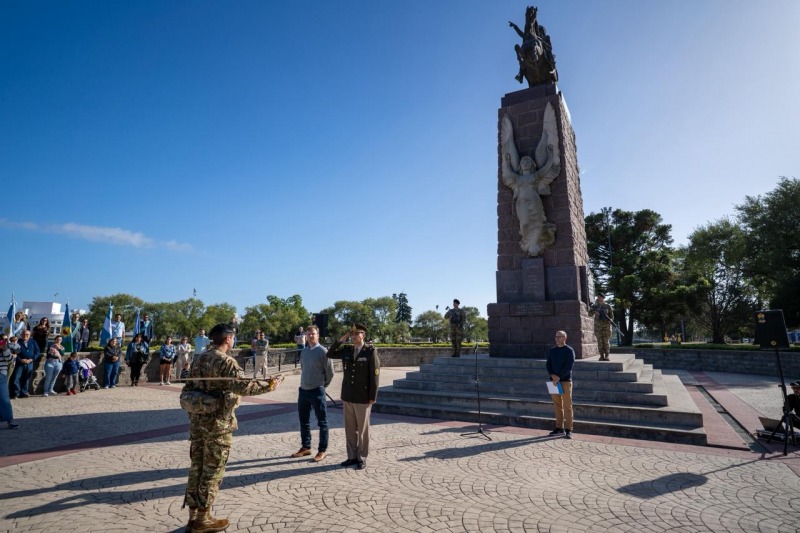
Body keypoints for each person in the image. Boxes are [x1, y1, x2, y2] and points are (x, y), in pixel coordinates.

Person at [181, 322, 283, 532]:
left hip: (197, 422)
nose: (233, 340)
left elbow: (189, 387)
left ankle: (193, 516)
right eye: (233, 337)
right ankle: (203, 519)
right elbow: (243, 386)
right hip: (218, 424)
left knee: (197, 467)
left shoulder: (199, 359)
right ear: (228, 338)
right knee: (213, 469)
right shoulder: (226, 362)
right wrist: (271, 385)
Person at [327, 323, 380, 470]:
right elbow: (330, 353)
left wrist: (372, 396)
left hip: (363, 396)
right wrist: (341, 339)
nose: (354, 336)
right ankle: (351, 456)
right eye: (352, 334)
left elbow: (375, 376)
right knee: (350, 429)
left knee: (362, 429)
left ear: (363, 335)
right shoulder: (347, 350)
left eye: (357, 333)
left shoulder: (370, 352)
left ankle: (361, 457)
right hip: (348, 395)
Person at [291, 325, 334, 462]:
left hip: (317, 390)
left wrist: (323, 385)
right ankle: (306, 447)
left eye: (313, 334)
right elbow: (304, 369)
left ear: (318, 335)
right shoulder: (304, 351)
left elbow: (330, 372)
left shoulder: (323, 351)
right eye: (308, 334)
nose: (310, 336)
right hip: (303, 390)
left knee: (322, 422)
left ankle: (322, 450)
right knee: (304, 421)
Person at [546, 330, 575, 439]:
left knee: (567, 406)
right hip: (553, 382)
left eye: (560, 336)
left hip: (565, 381)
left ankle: (569, 429)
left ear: (565, 338)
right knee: (557, 405)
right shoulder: (552, 350)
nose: (557, 338)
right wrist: (552, 375)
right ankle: (559, 428)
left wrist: (558, 377)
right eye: (556, 336)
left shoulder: (569, 350)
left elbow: (569, 366)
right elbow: (548, 364)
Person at [10, 330, 39, 399]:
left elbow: (37, 351)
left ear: (30, 335)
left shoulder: (33, 342)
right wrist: (20, 360)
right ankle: (16, 393)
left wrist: (32, 359)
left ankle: (24, 392)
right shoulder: (18, 342)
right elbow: (15, 353)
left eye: (27, 334)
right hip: (20, 363)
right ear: (21, 334)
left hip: (30, 362)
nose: (25, 335)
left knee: (26, 379)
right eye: (23, 334)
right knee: (16, 378)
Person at [0, 335, 20, 428]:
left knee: (4, 399)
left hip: (1, 375)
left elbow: (11, 360)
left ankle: (10, 421)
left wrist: (5, 350)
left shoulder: (5, 349)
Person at [589, 295, 614, 361]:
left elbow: (611, 317)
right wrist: (595, 312)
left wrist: (608, 320)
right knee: (600, 342)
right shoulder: (595, 306)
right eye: (598, 297)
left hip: (606, 327)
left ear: (603, 298)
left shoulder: (608, 306)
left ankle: (607, 355)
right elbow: (589, 314)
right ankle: (601, 356)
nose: (599, 298)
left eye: (600, 297)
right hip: (598, 327)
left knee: (606, 341)